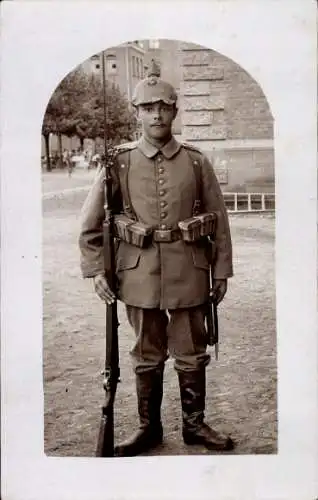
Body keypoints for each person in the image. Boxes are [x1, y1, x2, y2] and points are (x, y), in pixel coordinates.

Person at [79, 60, 235, 457]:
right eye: (148, 108)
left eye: (163, 107)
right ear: (137, 114)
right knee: (146, 354)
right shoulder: (119, 161)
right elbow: (93, 221)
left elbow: (218, 220)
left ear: (174, 111)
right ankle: (149, 428)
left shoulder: (197, 161)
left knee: (190, 352)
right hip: (138, 275)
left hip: (190, 272)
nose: (156, 115)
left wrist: (221, 272)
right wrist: (97, 268)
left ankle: (194, 427)